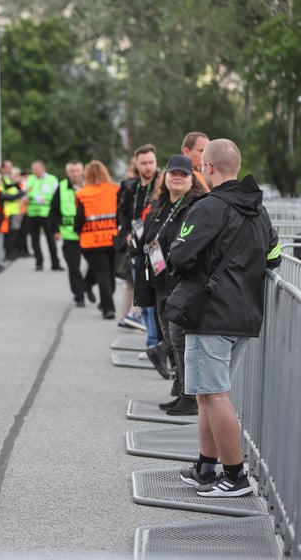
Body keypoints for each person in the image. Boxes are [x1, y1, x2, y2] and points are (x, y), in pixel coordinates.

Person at [170, 139, 280, 497]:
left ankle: (234, 476)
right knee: (209, 392)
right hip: (243, 314)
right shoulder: (259, 210)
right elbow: (274, 256)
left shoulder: (208, 207)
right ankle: (206, 467)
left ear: (209, 168)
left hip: (210, 313)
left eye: (201, 166)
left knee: (214, 395)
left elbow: (179, 255)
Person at [139, 156, 209, 416]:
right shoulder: (160, 205)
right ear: (165, 177)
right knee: (170, 337)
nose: (177, 178)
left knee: (179, 339)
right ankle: (181, 387)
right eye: (173, 173)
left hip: (182, 283)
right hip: (160, 282)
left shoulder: (195, 205)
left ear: (192, 179)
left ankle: (189, 395)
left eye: (183, 174)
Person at [117, 144, 160, 334]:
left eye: (151, 162)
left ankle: (157, 340)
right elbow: (122, 212)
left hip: (155, 246)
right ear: (137, 165)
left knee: (156, 297)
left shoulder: (161, 184)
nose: (148, 167)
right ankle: (151, 341)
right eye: (144, 163)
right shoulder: (131, 187)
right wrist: (127, 231)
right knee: (142, 296)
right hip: (136, 246)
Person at [74, 160, 119, 319]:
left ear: (86, 175)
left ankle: (91, 288)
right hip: (111, 239)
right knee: (108, 274)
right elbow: (120, 214)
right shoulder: (115, 190)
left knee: (103, 273)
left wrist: (77, 231)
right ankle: (108, 307)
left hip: (90, 241)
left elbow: (79, 219)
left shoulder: (82, 193)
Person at [49, 160, 96, 306]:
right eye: (72, 171)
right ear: (67, 173)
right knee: (74, 267)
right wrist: (55, 230)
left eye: (77, 171)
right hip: (69, 234)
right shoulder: (62, 186)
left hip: (89, 233)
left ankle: (88, 284)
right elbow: (54, 210)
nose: (75, 174)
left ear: (82, 171)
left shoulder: (90, 184)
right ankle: (79, 295)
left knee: (96, 265)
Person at [26, 160, 62, 271]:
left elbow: (57, 195)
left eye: (36, 169)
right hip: (33, 213)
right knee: (35, 240)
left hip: (47, 214)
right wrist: (34, 196)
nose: (34, 171)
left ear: (43, 168)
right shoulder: (30, 179)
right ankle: (39, 263)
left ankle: (55, 263)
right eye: (33, 169)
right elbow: (25, 192)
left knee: (50, 239)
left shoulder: (52, 179)